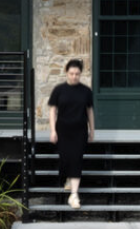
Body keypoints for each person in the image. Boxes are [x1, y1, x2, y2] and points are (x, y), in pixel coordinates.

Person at [46, 57, 95, 209]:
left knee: (76, 159)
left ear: (80, 74)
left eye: (77, 74)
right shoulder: (59, 90)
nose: (74, 76)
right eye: (72, 73)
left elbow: (89, 111)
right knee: (65, 159)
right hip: (63, 130)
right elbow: (52, 111)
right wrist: (53, 130)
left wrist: (92, 130)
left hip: (79, 131)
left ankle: (74, 195)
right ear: (66, 73)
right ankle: (68, 178)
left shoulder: (86, 91)